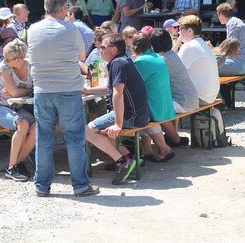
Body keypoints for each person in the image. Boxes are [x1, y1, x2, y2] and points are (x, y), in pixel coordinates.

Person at [27, 0, 98, 197]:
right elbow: (81, 56)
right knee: (74, 138)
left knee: (44, 138)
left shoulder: (32, 29)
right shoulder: (71, 29)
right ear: (64, 8)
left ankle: (42, 186)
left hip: (42, 90)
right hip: (68, 89)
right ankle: (80, 185)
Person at [82, 33, 150, 185]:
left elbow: (118, 94)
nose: (100, 50)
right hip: (138, 114)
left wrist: (118, 124)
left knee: (87, 131)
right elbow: (110, 89)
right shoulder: (122, 60)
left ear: (113, 49)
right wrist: (87, 90)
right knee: (99, 129)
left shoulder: (118, 64)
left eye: (102, 47)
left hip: (131, 116)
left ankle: (122, 162)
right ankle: (130, 158)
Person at [0, 39, 36, 182]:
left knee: (38, 127)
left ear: (18, 60)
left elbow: (18, 92)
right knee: (23, 123)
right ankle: (12, 167)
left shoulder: (32, 66)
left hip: (16, 107)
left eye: (7, 58)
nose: (3, 60)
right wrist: (27, 91)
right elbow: (15, 93)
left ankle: (17, 164)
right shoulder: (4, 66)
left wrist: (23, 92)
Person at [131, 33, 176, 161]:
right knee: (141, 112)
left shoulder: (141, 61)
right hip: (165, 104)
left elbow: (132, 84)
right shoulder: (156, 57)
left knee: (138, 114)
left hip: (155, 106)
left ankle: (163, 148)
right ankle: (147, 149)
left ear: (134, 48)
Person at [150, 28, 198, 113]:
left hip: (182, 103)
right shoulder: (173, 54)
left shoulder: (161, 60)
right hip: (192, 100)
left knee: (150, 105)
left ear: (153, 45)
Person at [177, 15, 220, 108]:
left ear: (190, 31)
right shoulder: (201, 43)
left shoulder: (188, 46)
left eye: (180, 29)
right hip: (209, 96)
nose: (178, 32)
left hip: (199, 97)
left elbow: (175, 72)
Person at [215, 3, 245, 76]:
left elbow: (231, 48)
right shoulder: (234, 21)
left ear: (220, 14)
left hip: (238, 63)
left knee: (208, 67)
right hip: (242, 62)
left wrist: (213, 50)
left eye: (218, 15)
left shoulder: (232, 24)